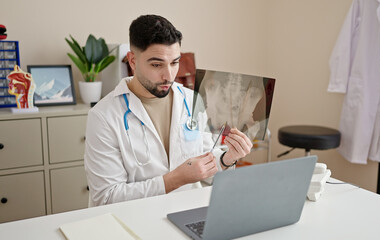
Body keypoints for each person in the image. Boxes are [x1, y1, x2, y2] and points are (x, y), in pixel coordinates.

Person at [84, 14, 253, 206]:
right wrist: (174, 180)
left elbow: (206, 164)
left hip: (187, 211)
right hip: (135, 220)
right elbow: (105, 198)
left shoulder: (192, 99)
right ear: (132, 61)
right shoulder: (103, 116)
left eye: (174, 62)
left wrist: (226, 158)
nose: (169, 75)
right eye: (157, 65)